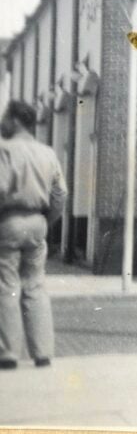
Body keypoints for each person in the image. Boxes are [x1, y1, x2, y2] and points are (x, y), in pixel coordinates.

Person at [0, 100, 67, 369]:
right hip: (38, 223)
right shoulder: (47, 153)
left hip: (9, 221)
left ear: (15, 120)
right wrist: (46, 219)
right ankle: (42, 351)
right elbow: (60, 193)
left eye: (5, 118)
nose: (2, 122)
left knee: (6, 287)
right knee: (35, 285)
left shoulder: (5, 151)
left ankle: (9, 353)